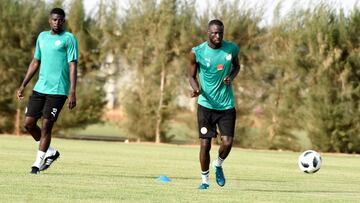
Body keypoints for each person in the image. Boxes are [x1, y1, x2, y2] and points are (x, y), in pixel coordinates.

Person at [17, 8, 78, 174]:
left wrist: (72, 91)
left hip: (58, 90)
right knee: (28, 124)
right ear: (49, 20)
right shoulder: (42, 37)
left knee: (46, 126)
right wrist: (23, 84)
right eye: (54, 20)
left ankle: (37, 164)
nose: (56, 22)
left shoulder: (69, 39)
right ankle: (51, 152)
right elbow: (35, 62)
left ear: (63, 21)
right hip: (40, 88)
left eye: (60, 20)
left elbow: (73, 65)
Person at [188, 19, 240, 189]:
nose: (218, 36)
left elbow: (237, 66)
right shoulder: (197, 52)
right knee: (205, 144)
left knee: (227, 142)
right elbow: (190, 76)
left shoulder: (231, 48)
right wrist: (196, 89)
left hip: (226, 106)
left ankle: (218, 164)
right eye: (214, 33)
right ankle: (204, 181)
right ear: (208, 33)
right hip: (205, 105)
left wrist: (231, 77)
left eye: (220, 33)